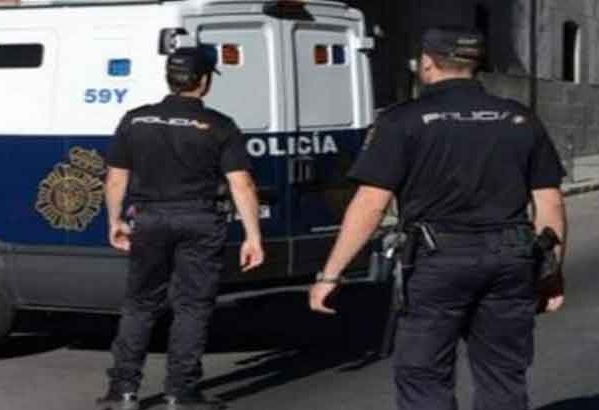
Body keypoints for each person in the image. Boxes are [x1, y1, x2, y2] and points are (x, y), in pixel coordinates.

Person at [309, 26, 567, 410]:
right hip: (511, 256)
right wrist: (551, 271)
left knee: (424, 378)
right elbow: (550, 203)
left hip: (438, 260)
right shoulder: (520, 118)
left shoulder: (402, 120)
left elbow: (370, 203)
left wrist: (331, 274)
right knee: (503, 375)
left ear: (427, 63)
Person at [98, 46, 265, 410]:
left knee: (140, 304)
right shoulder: (220, 125)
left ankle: (123, 391)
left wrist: (115, 221)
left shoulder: (135, 120)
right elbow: (241, 184)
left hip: (149, 219)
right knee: (192, 307)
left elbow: (115, 178)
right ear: (203, 81)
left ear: (169, 79)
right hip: (200, 219)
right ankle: (181, 391)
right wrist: (253, 236)